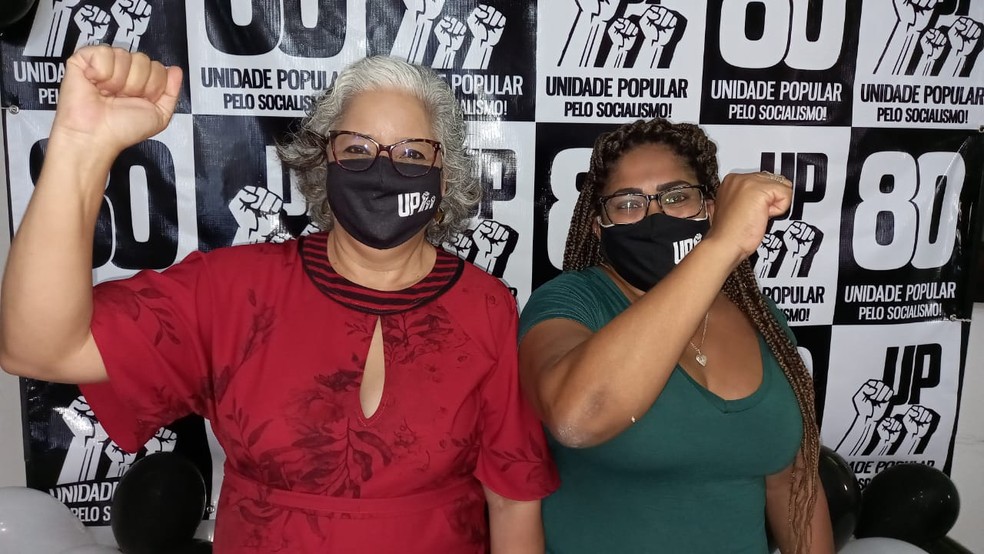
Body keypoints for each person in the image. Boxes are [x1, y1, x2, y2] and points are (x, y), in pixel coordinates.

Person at [0, 45, 558, 553]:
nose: (384, 169)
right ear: (322, 162)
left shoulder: (484, 307)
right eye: (357, 148)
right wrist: (79, 147)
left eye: (412, 153)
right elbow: (38, 347)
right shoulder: (237, 292)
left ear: (445, 176)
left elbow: (512, 500)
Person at [518, 119, 834, 554]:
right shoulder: (571, 303)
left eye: (677, 197)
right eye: (628, 203)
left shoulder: (759, 318)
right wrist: (721, 248)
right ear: (597, 226)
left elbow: (792, 484)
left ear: (710, 207)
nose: (655, 217)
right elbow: (577, 417)